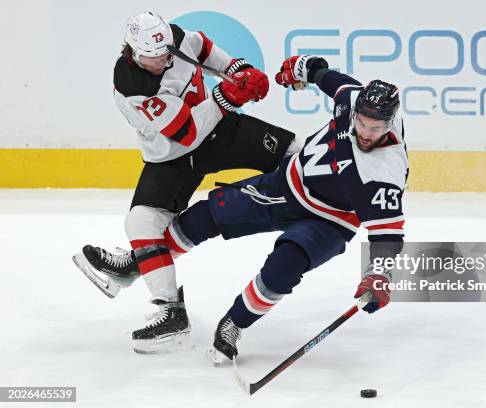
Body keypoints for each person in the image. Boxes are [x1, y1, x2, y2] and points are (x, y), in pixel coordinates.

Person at [156, 55, 408, 363]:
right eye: (362, 123)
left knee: (283, 268)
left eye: (376, 127)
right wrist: (309, 69)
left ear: (390, 122)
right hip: (286, 186)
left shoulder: (387, 169)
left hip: (330, 221)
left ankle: (234, 323)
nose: (366, 132)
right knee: (205, 216)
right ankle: (140, 260)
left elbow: (388, 234)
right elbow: (333, 82)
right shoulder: (353, 99)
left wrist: (379, 273)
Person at [72, 11, 299, 354]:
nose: (164, 59)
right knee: (141, 222)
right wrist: (228, 96)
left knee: (295, 152)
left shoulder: (173, 41)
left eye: (166, 51)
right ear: (134, 52)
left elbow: (202, 48)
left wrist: (237, 70)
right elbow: (187, 133)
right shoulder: (133, 86)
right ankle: (170, 311)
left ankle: (133, 266)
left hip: (221, 132)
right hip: (174, 155)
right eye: (154, 56)